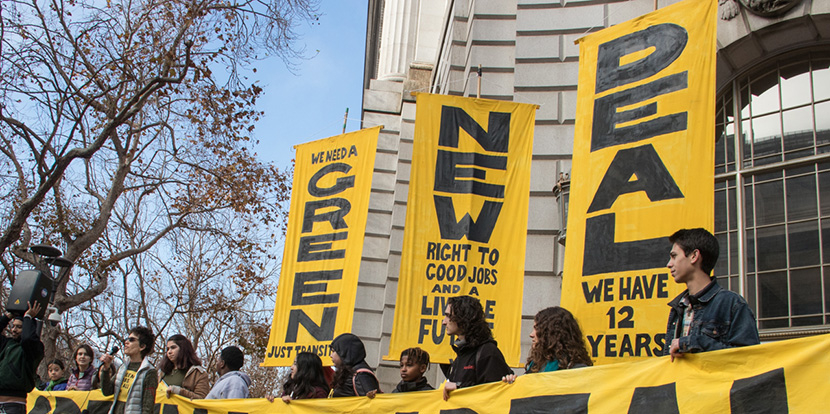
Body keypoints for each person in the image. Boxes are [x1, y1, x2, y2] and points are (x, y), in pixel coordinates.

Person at [664, 228, 760, 361]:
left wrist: (694, 343)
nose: (669, 264)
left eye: (674, 256)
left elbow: (749, 359)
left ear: (694, 256)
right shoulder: (678, 308)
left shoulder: (731, 303)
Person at [441, 295, 512, 400]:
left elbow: (496, 395)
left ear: (463, 318)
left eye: (448, 316)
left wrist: (459, 387)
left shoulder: (488, 352)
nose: (444, 322)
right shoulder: (461, 355)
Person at [503, 307, 592, 383]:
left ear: (552, 334)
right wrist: (513, 383)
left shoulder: (578, 370)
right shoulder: (536, 365)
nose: (531, 334)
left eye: (536, 329)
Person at [99, 326, 158, 414]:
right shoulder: (123, 367)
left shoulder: (149, 371)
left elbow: (148, 406)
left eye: (131, 340)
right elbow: (107, 391)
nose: (126, 342)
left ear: (142, 346)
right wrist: (106, 369)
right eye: (127, 339)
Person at [0, 301, 45, 414]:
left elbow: (28, 339)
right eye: (13, 326)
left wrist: (28, 317)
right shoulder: (7, 344)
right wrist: (8, 316)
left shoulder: (33, 348)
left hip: (13, 406)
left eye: (19, 327)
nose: (13, 330)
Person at [158, 334, 210, 399]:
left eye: (173, 348)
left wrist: (180, 391)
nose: (169, 352)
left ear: (183, 349)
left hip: (184, 409)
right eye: (168, 349)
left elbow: (202, 399)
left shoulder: (197, 373)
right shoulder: (162, 373)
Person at [329, 333, 380, 397]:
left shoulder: (361, 375)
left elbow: (369, 403)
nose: (331, 356)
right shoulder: (350, 373)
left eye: (333, 351)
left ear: (344, 352)